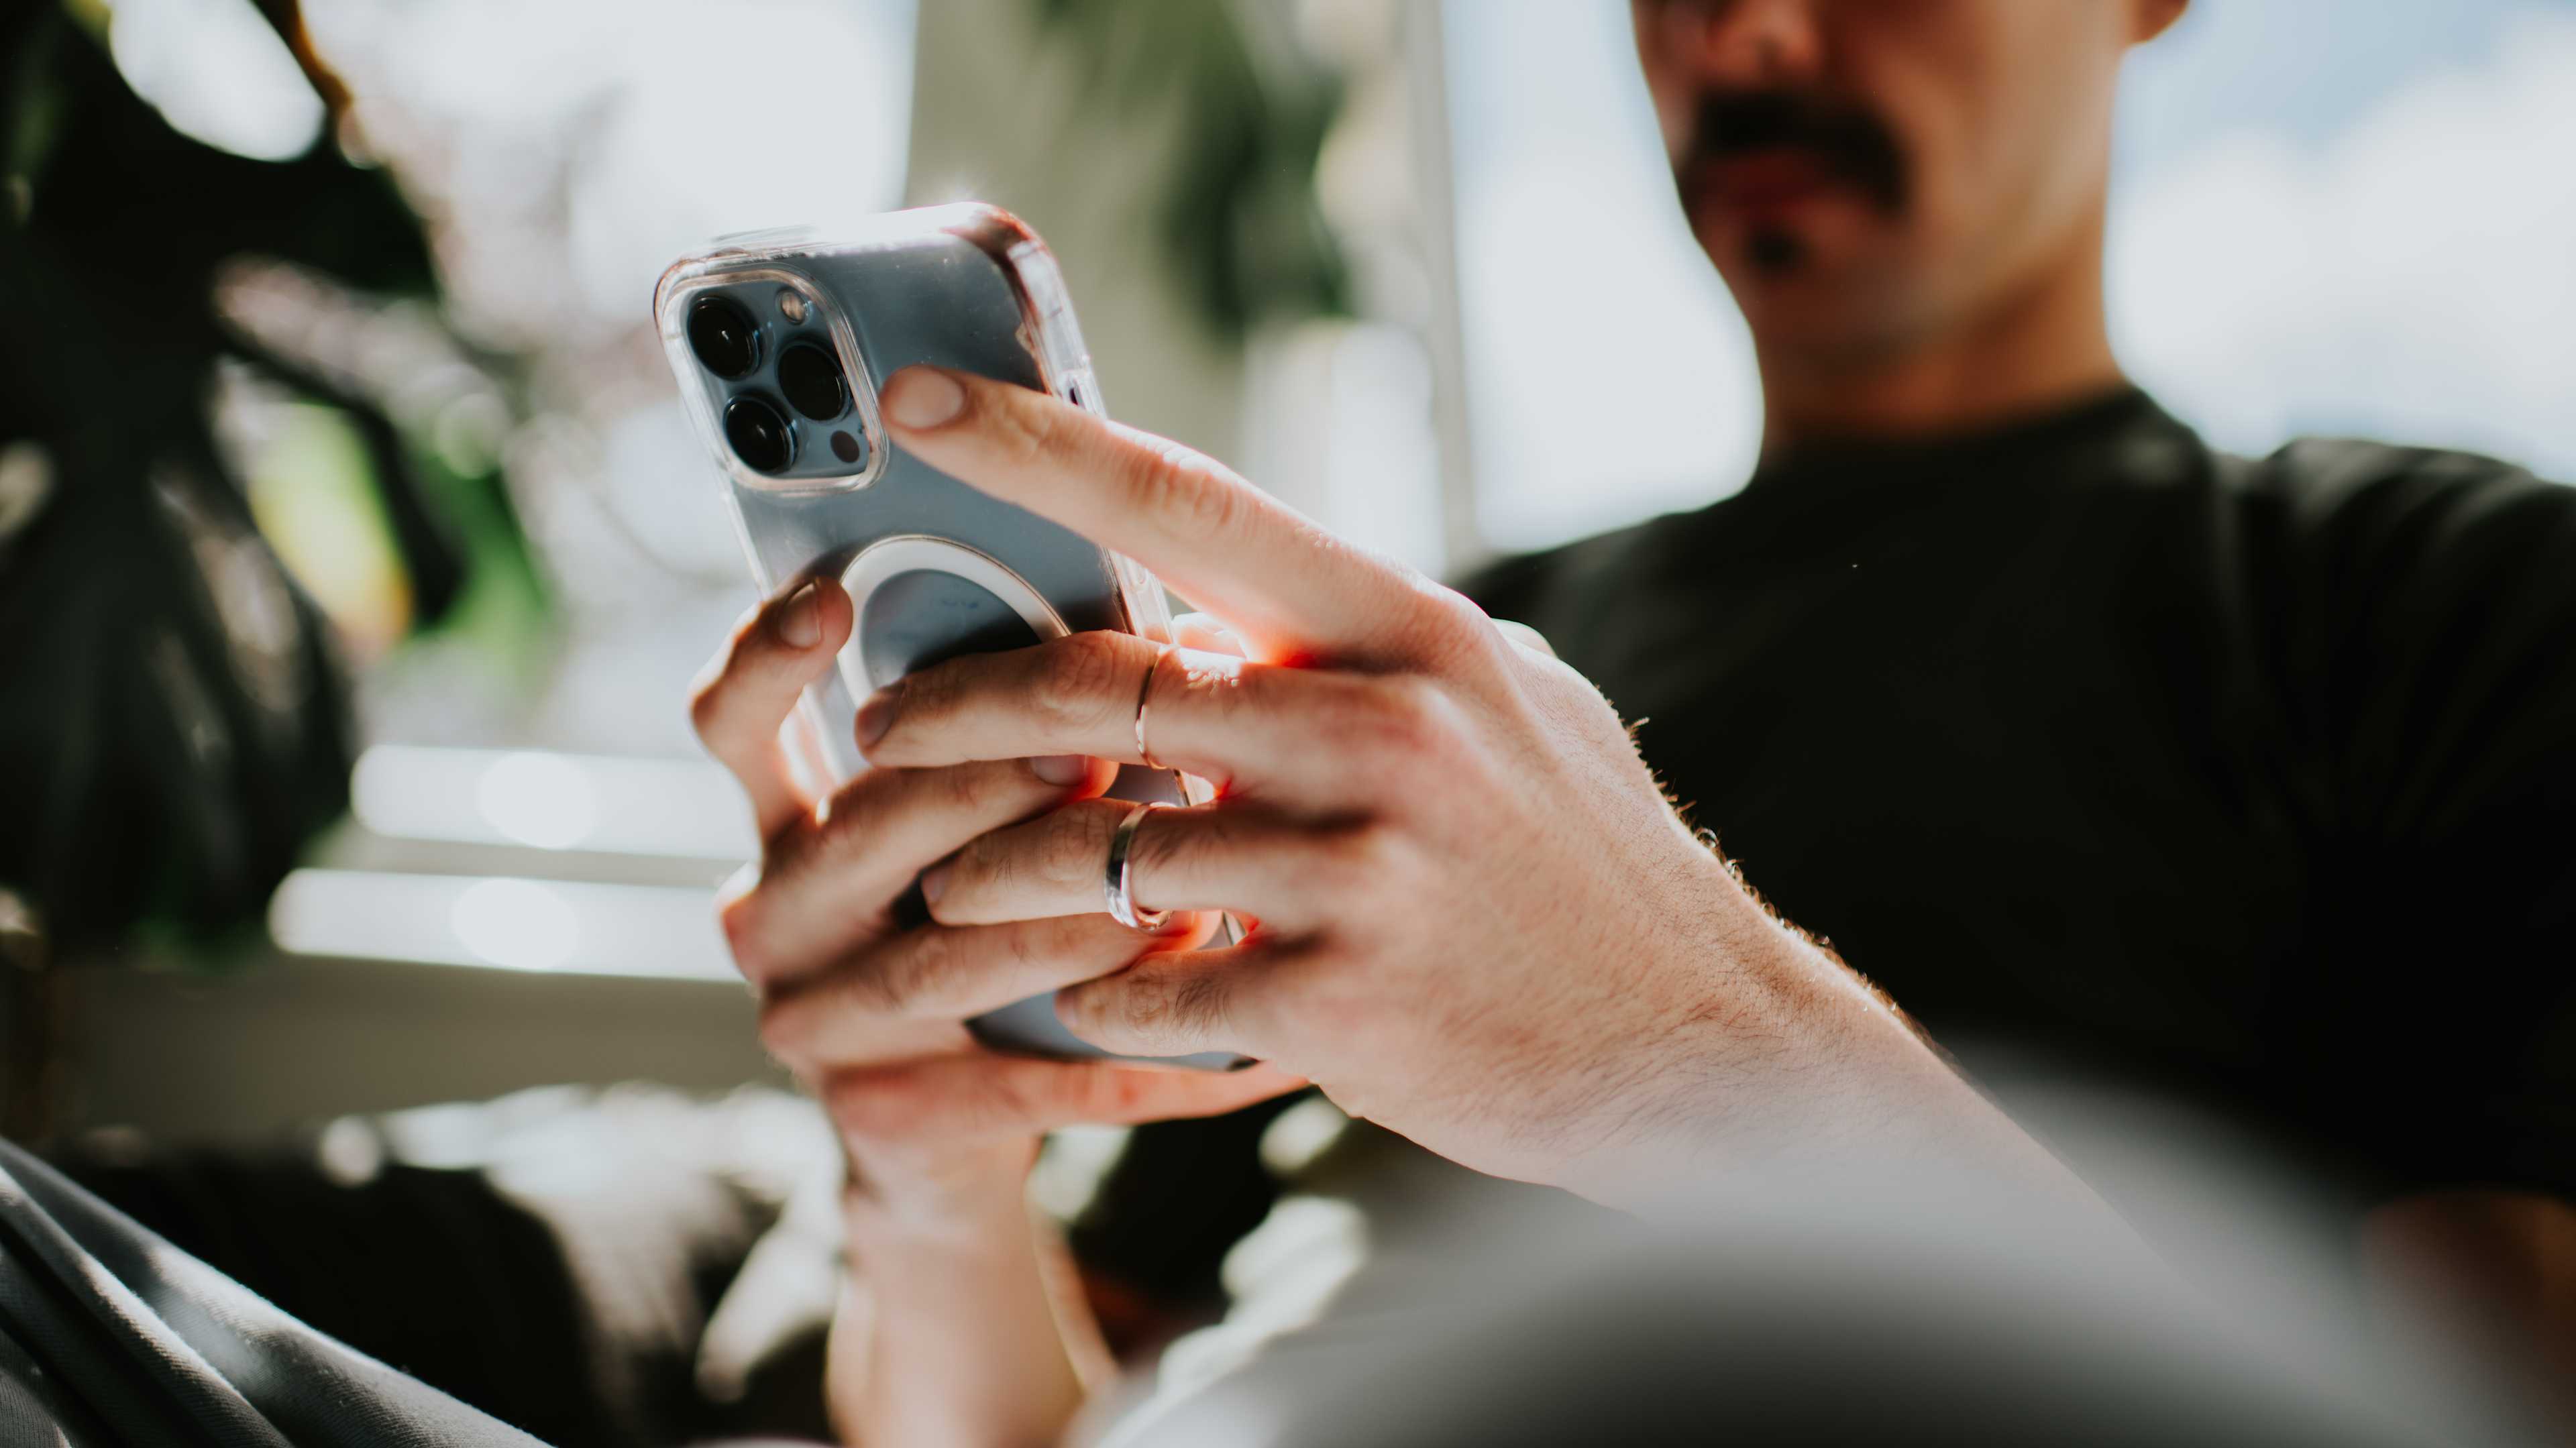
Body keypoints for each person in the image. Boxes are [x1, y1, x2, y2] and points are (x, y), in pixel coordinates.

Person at [684, 0, 2576, 1442]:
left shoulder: (2437, 598)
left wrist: (1695, 1057)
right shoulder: (1449, 651)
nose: (1739, 33)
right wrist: (930, 1184)